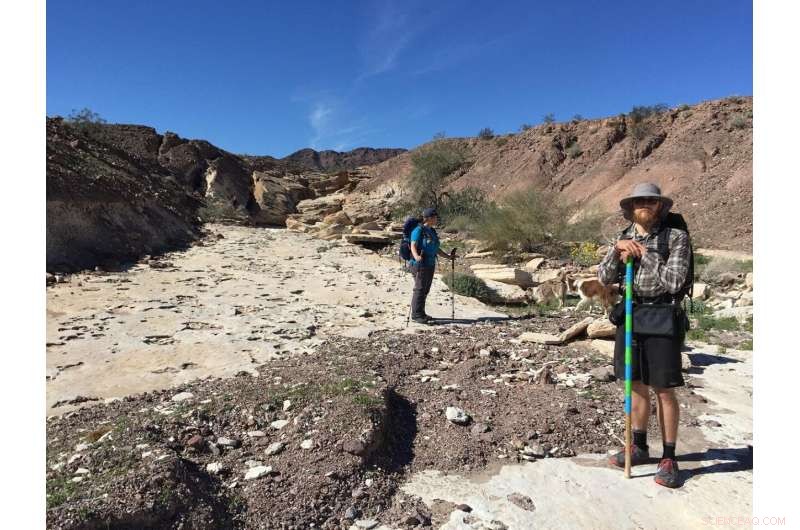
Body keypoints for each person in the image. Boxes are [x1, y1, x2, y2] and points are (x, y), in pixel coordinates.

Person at [597, 183, 691, 488]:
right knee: (634, 383)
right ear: (630, 207)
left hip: (662, 317)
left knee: (663, 388)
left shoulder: (676, 238)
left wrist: (644, 254)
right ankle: (637, 446)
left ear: (661, 206)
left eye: (652, 200)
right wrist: (617, 252)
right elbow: (602, 278)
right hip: (630, 317)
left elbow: (675, 282)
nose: (645, 204)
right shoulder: (621, 238)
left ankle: (669, 457)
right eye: (640, 200)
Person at [409, 208, 456, 324]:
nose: (436, 219)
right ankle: (416, 315)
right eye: (434, 217)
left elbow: (436, 248)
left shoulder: (432, 231)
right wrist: (416, 257)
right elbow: (413, 245)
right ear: (428, 218)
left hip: (430, 264)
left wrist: (448, 257)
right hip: (420, 264)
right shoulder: (418, 230)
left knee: (425, 289)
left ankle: (421, 313)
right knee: (419, 289)